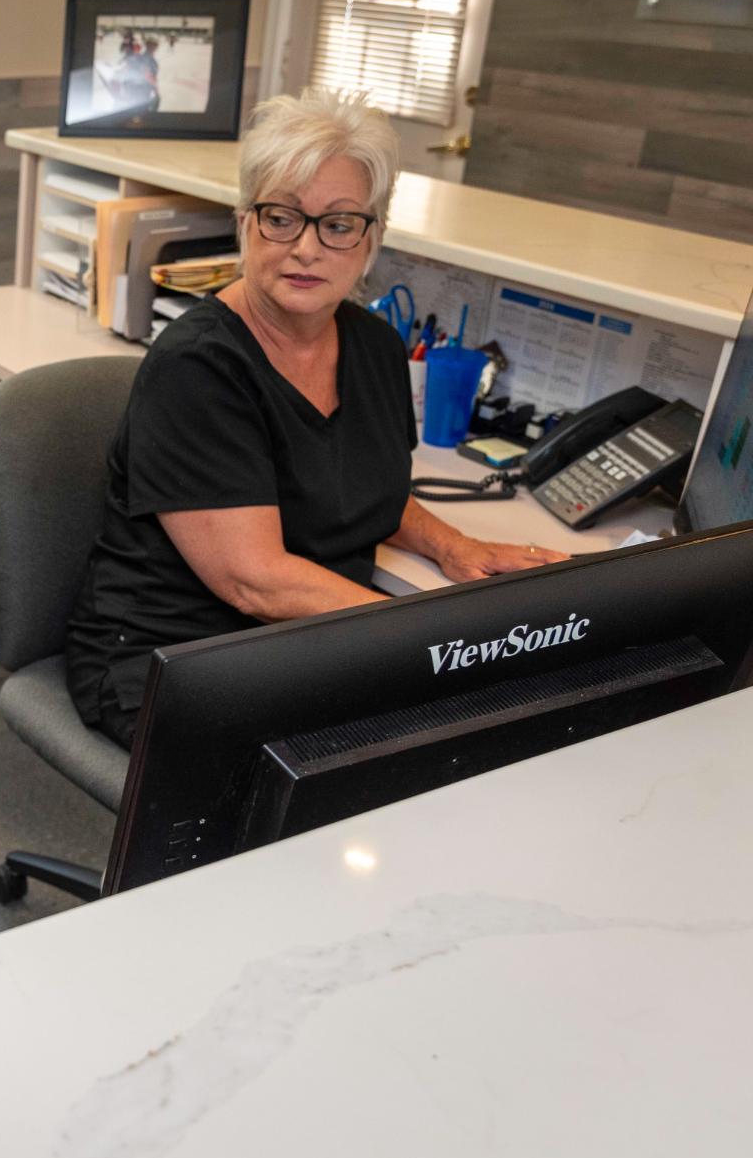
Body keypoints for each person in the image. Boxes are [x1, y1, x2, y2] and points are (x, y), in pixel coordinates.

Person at [65, 89, 565, 746]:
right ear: (245, 222)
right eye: (281, 218)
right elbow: (254, 579)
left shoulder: (377, 348)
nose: (306, 248)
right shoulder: (198, 367)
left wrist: (454, 547)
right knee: (432, 745)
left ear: (370, 239)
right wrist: (431, 633)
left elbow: (368, 489)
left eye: (337, 223)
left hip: (308, 643)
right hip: (178, 661)